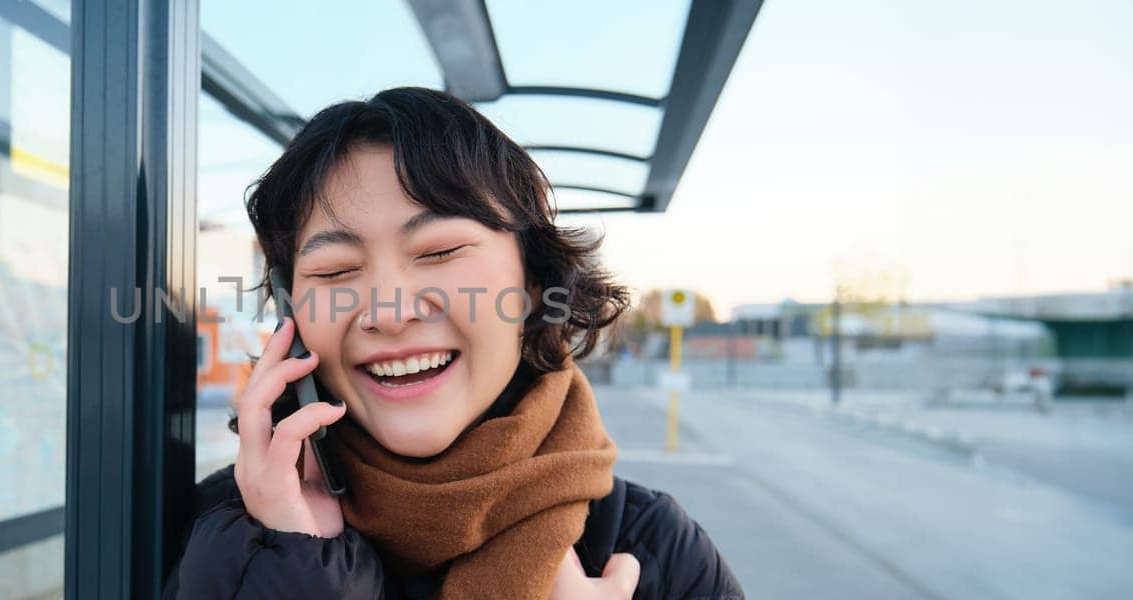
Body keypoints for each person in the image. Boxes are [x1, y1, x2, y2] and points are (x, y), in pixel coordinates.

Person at [164, 87, 741, 599]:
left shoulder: (651, 547)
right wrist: (293, 571)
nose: (389, 313)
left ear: (534, 283)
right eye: (336, 270)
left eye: (439, 253)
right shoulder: (224, 534)